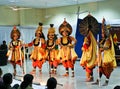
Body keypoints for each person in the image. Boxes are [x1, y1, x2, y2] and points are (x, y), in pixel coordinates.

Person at [92, 18, 117, 86]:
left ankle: (106, 81)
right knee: (100, 68)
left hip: (107, 57)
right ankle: (98, 80)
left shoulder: (108, 40)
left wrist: (99, 45)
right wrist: (98, 46)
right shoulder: (102, 40)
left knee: (107, 69)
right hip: (101, 57)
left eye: (103, 33)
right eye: (102, 33)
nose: (102, 34)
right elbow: (100, 47)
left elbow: (107, 47)